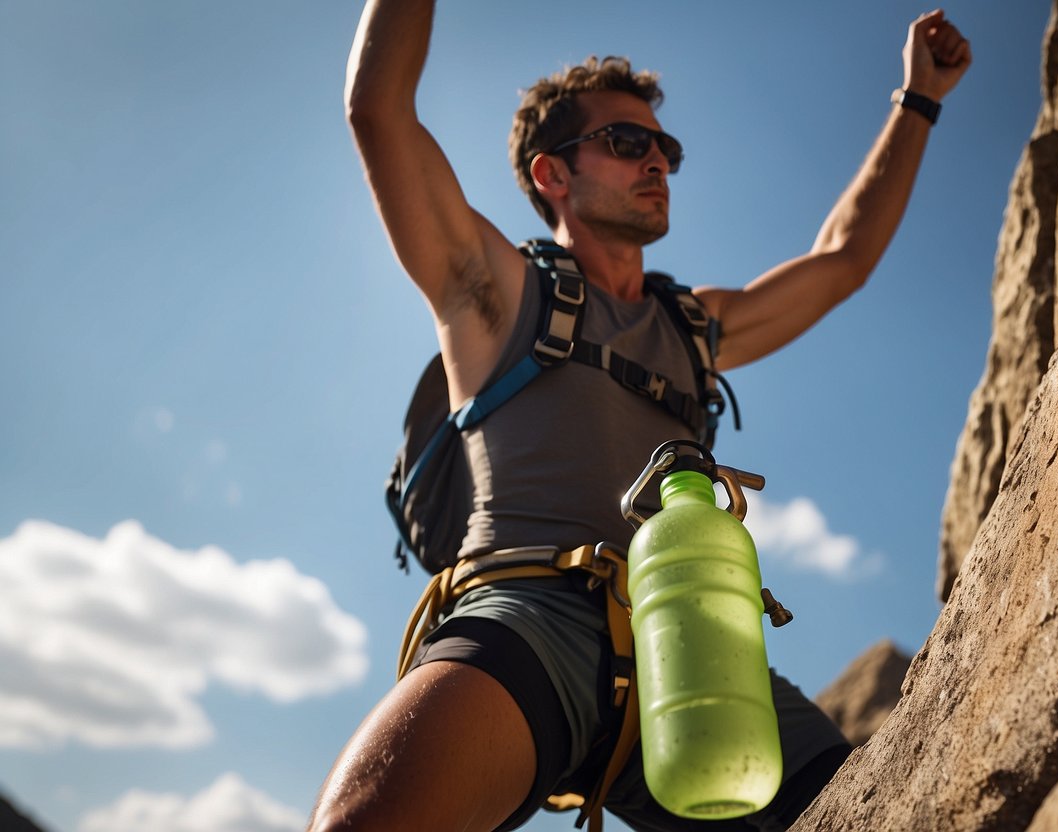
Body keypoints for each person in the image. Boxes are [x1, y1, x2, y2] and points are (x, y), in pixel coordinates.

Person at [309, 2, 971, 830]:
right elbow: (378, 111)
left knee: (874, 815)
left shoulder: (694, 326)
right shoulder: (494, 290)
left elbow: (842, 261)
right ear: (552, 175)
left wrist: (918, 98)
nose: (656, 160)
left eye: (665, 148)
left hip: (696, 639)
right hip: (528, 611)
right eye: (626, 143)